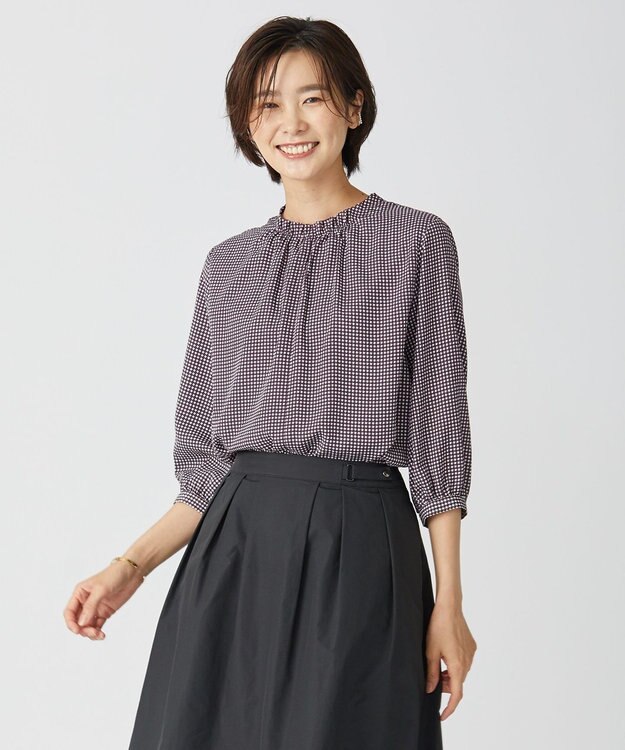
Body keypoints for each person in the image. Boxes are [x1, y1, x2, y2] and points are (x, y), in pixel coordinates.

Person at [63, 15, 477, 749]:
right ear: (246, 126)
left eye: (312, 98)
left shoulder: (417, 241)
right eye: (267, 104)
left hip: (360, 545)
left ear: (354, 107)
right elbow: (207, 465)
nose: (291, 123)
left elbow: (438, 432)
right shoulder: (228, 265)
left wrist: (449, 603)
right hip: (235, 553)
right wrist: (129, 568)